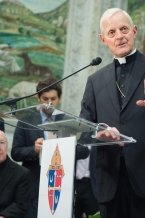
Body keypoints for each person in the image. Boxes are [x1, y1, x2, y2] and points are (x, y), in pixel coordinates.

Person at [79, 8, 145, 218]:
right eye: (112, 32)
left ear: (134, 31)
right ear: (103, 39)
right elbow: (84, 130)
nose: (119, 36)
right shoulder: (95, 81)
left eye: (124, 29)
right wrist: (99, 134)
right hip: (110, 182)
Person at [11, 78, 90, 218]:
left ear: (60, 97)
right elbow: (15, 153)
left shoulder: (68, 121)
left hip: (62, 186)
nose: (49, 103)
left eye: (53, 99)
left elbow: (84, 151)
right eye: (45, 98)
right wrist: (33, 150)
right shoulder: (25, 121)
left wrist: (66, 148)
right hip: (33, 188)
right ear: (38, 98)